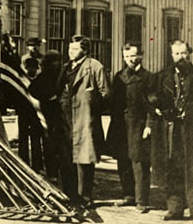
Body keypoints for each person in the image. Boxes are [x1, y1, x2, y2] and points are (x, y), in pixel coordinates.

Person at [150, 40, 193, 224]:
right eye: (177, 54)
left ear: (190, 53)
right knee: (173, 167)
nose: (181, 57)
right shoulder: (164, 76)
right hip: (171, 129)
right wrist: (160, 107)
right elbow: (152, 96)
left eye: (184, 53)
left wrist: (192, 112)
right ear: (171, 55)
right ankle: (175, 208)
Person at [57, 35, 110, 209]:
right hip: (66, 118)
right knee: (67, 157)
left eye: (75, 49)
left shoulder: (95, 66)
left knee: (84, 159)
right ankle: (69, 195)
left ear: (85, 50)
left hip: (85, 118)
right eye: (69, 48)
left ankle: (85, 197)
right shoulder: (65, 68)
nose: (70, 52)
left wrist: (91, 104)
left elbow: (106, 94)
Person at [107, 43, 154, 212]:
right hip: (120, 124)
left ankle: (142, 200)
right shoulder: (119, 76)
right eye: (126, 57)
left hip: (138, 124)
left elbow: (152, 104)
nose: (130, 60)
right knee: (123, 159)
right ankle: (128, 195)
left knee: (139, 162)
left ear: (140, 55)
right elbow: (112, 101)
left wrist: (149, 125)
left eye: (133, 56)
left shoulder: (148, 77)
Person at [29, 50, 63, 180]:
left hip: (57, 114)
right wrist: (48, 98)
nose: (57, 64)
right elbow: (33, 91)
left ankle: (53, 170)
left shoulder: (60, 75)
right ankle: (51, 171)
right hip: (47, 113)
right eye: (54, 62)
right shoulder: (44, 77)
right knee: (49, 144)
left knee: (54, 144)